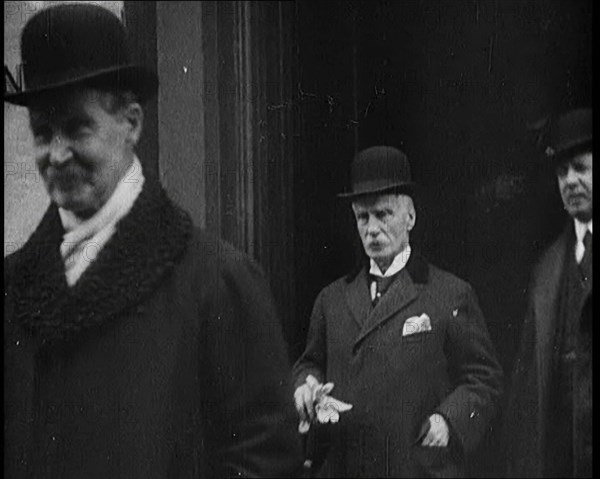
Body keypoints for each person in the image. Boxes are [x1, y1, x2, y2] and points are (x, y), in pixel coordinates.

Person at [3, 4, 302, 478]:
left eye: (78, 127)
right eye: (43, 132)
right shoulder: (12, 287)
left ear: (132, 123)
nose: (56, 154)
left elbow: (266, 460)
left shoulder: (217, 282)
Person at [292, 146, 503, 477]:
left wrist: (448, 420)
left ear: (410, 217)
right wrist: (306, 386)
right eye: (363, 217)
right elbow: (310, 363)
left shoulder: (448, 294)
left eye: (383, 214)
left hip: (414, 468)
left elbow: (484, 379)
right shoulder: (331, 300)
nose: (372, 229)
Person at [505, 107, 592, 477]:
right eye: (562, 172)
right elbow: (527, 389)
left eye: (581, 168)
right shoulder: (546, 269)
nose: (570, 181)